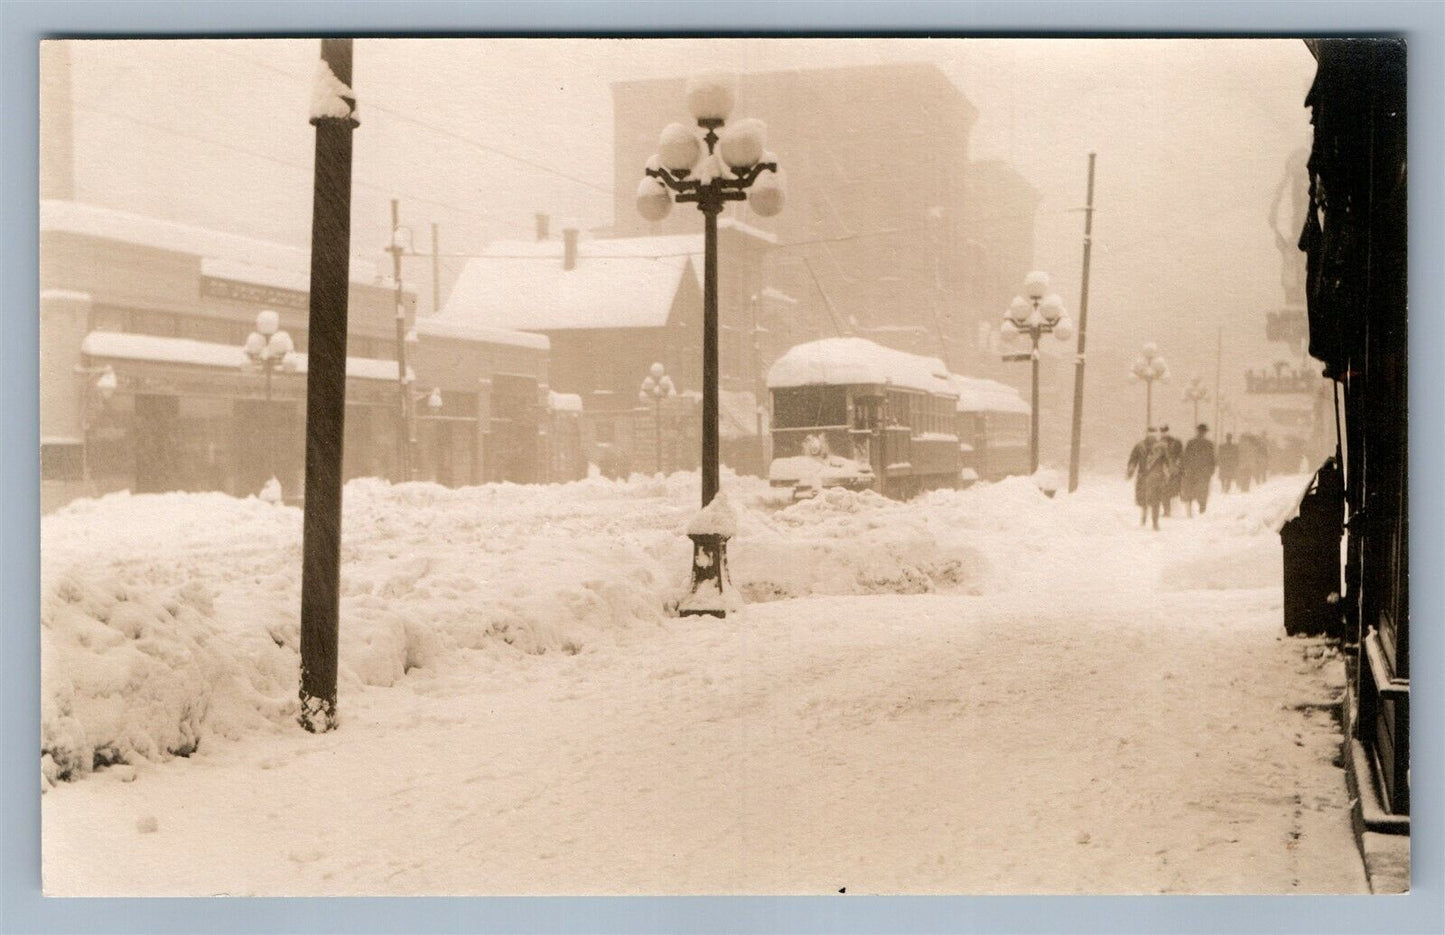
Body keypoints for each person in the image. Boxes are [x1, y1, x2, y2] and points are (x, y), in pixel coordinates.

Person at [1126, 428, 1170, 530]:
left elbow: (1133, 460)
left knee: (1145, 498)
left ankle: (1147, 518)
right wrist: (1167, 473)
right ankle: (1153, 521)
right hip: (1156, 477)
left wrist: (1130, 471)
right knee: (1155, 500)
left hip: (1145, 476)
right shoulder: (1161, 446)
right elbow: (1167, 462)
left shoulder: (1140, 446)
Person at [1180, 423, 1217, 516]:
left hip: (1194, 470)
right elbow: (1212, 459)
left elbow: (1185, 456)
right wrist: (1211, 470)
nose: (1202, 433)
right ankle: (1201, 506)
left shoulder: (1192, 442)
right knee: (1202, 489)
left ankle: (1197, 506)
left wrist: (1184, 467)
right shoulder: (1207, 444)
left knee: (1192, 488)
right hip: (1201, 471)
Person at [1158, 424, 1184, 516]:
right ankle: (1166, 510)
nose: (1164, 434)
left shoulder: (1175, 442)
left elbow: (1180, 456)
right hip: (1163, 470)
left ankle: (1169, 510)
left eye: (1165, 432)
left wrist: (1176, 466)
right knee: (1163, 491)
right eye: (1162, 432)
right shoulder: (1159, 443)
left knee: (1170, 490)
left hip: (1174, 469)